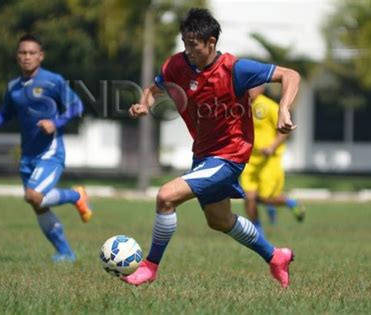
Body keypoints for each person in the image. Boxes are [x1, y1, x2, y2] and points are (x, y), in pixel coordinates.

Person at [122, 8, 300, 288]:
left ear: (212, 42)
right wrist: (145, 104)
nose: (188, 51)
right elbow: (154, 88)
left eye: (193, 45)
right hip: (203, 156)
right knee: (219, 220)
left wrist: (283, 111)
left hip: (230, 157)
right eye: (185, 44)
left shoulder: (235, 69)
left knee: (166, 197)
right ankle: (276, 256)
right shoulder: (175, 66)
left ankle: (150, 266)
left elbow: (290, 75)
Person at [0, 34, 92, 262]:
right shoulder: (14, 87)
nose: (27, 57)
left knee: (33, 196)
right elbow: (5, 114)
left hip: (50, 152)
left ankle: (76, 195)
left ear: (41, 56)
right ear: (17, 56)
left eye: (31, 53)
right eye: (22, 53)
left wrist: (54, 123)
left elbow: (77, 106)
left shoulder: (53, 81)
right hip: (27, 156)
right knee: (38, 205)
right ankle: (66, 253)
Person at [240, 86, 305, 235]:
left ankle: (291, 203)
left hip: (269, 160)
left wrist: (271, 147)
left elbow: (284, 131)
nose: (249, 89)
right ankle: (257, 229)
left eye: (253, 86)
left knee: (265, 198)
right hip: (249, 160)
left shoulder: (270, 106)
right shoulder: (240, 106)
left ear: (262, 88)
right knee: (249, 197)